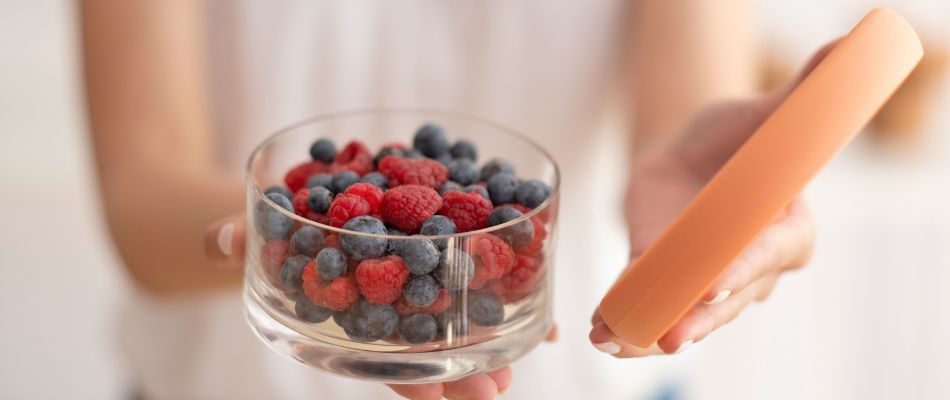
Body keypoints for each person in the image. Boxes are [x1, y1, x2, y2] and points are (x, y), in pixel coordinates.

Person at [81, 1, 817, 399]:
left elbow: (684, 116)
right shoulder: (346, 227)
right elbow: (142, 198)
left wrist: (708, 205)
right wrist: (290, 241)